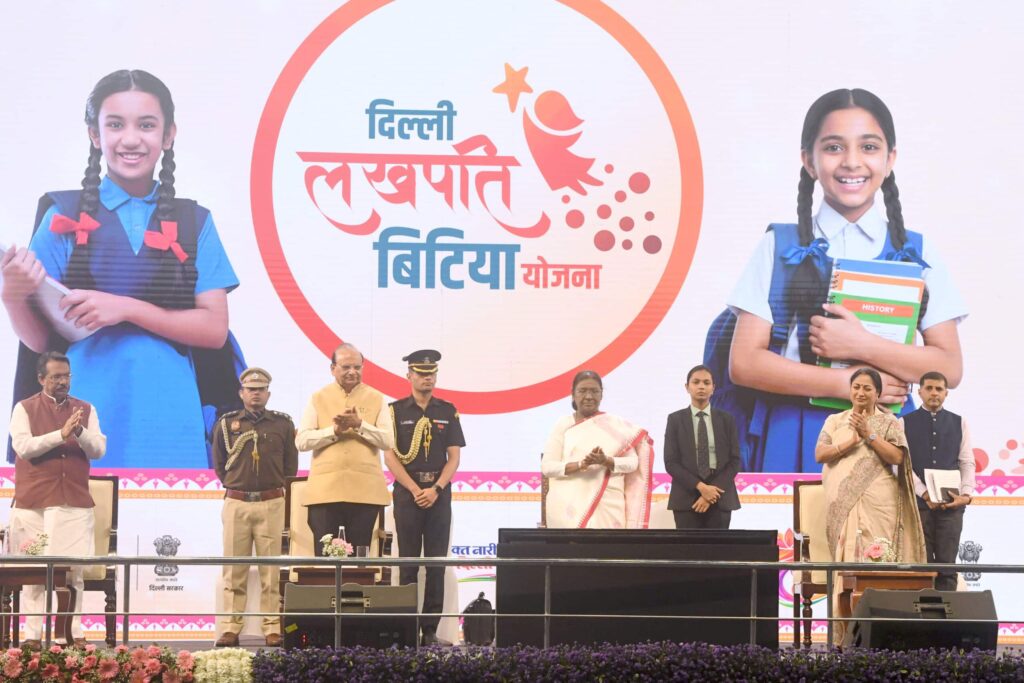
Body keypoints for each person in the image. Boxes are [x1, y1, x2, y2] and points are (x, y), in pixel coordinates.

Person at [709, 88, 966, 473]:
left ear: (890, 159)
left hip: (887, 433)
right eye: (833, 147)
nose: (852, 161)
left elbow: (949, 368)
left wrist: (862, 344)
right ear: (808, 161)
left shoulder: (918, 251)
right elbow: (744, 363)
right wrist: (848, 384)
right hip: (792, 430)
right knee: (796, 515)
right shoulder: (779, 245)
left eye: (869, 147)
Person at [1, 69, 244, 469]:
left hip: (170, 405)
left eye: (146, 125)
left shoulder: (194, 221)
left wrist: (125, 308)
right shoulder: (62, 215)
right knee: (82, 503)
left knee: (169, 508)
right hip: (83, 404)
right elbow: (42, 341)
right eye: (115, 124)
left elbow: (214, 329)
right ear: (94, 134)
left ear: (168, 134)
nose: (130, 139)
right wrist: (12, 295)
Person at [815, 368, 925, 638]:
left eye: (867, 388)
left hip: (880, 503)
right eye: (856, 387)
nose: (861, 392)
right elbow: (820, 454)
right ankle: (846, 635)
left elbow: (897, 458)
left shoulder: (889, 422)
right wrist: (849, 443)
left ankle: (882, 633)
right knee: (847, 567)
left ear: (878, 393)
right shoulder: (835, 420)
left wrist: (869, 434)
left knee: (878, 563)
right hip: (843, 504)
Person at [8, 351, 106, 648]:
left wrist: (79, 431)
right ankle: (32, 636)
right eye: (56, 377)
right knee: (34, 573)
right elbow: (23, 448)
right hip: (33, 504)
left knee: (72, 572)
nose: (63, 382)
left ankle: (70, 633)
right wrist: (59, 435)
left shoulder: (85, 409)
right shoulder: (24, 408)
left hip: (72, 503)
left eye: (67, 376)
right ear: (41, 379)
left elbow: (98, 450)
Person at [383, 350, 465, 646]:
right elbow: (390, 456)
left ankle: (430, 629)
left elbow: (454, 457)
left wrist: (436, 489)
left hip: (438, 494)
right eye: (421, 373)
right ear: (409, 376)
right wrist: (415, 489)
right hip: (408, 494)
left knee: (435, 564)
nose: (427, 377)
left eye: (431, 373)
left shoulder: (447, 410)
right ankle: (406, 628)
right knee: (407, 563)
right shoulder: (394, 411)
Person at [211, 367, 297, 648]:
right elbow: (220, 465)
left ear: (268, 394)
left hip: (271, 503)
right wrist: (238, 485)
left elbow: (290, 467)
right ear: (241, 393)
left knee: (270, 572)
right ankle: (230, 627)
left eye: (260, 389)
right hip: (236, 502)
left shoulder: (283, 424)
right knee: (234, 570)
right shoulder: (226, 423)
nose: (256, 394)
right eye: (251, 389)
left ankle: (271, 627)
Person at [295, 343, 392, 550]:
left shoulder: (377, 398)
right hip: (324, 492)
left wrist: (359, 425)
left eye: (357, 367)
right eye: (346, 367)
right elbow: (301, 441)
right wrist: (334, 431)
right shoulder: (318, 397)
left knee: (359, 558)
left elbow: (387, 441)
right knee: (326, 556)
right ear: (333, 369)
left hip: (365, 492)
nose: (352, 372)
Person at [541, 370, 654, 530]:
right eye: (582, 391)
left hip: (608, 506)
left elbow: (633, 463)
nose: (588, 396)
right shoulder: (563, 424)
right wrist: (581, 465)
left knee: (607, 546)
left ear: (601, 395)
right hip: (568, 509)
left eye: (594, 391)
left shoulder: (615, 426)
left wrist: (606, 461)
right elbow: (547, 467)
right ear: (573, 395)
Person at [901, 371, 974, 591]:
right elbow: (902, 465)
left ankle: (946, 613)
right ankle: (922, 613)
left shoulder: (959, 422)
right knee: (921, 567)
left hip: (952, 506)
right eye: (929, 388)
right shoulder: (904, 422)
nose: (934, 393)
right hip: (919, 506)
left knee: (947, 567)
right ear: (920, 392)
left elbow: (966, 462)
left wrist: (966, 495)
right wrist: (924, 493)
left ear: (946, 393)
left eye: (939, 389)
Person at [664, 365, 741, 529]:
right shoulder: (675, 420)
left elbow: (735, 461)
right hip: (686, 498)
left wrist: (710, 493)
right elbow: (671, 462)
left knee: (718, 546)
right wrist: (701, 487)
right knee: (688, 546)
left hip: (719, 496)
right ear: (687, 387)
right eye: (696, 382)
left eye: (706, 383)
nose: (701, 387)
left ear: (713, 388)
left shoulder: (727, 420)